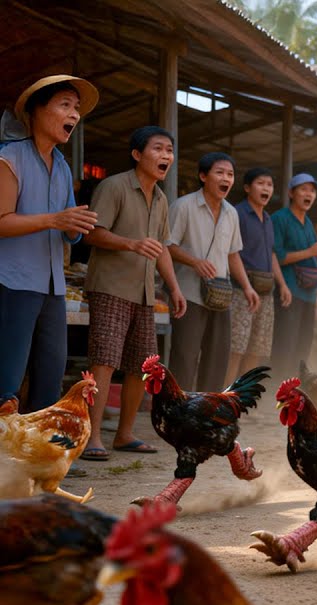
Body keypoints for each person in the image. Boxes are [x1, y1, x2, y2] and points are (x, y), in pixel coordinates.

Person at [82, 126, 188, 459]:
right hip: (110, 287)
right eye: (158, 149)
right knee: (104, 362)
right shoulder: (113, 186)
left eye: (169, 151)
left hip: (144, 294)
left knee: (142, 366)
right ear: (137, 154)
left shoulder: (160, 199)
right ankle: (92, 437)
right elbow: (92, 234)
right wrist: (131, 243)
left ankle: (124, 435)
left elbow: (162, 249)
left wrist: (173, 287)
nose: (166, 156)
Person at [0, 75, 98, 413]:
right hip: (12, 282)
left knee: (50, 377)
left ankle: (39, 462)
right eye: (65, 105)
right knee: (7, 380)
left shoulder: (63, 168)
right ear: (36, 111)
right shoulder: (10, 157)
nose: (74, 114)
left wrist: (75, 227)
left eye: (77, 108)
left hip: (53, 287)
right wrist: (55, 220)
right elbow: (2, 221)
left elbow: (69, 229)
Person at [166, 152, 258, 392]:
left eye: (230, 174)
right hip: (188, 295)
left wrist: (247, 287)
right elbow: (166, 246)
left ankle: (207, 412)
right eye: (219, 172)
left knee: (217, 358)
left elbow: (232, 254)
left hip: (221, 296)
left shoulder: (231, 213)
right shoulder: (183, 206)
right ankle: (178, 411)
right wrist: (194, 261)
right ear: (203, 176)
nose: (226, 178)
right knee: (185, 357)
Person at [226, 168, 290, 386]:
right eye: (261, 183)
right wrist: (246, 286)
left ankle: (242, 399)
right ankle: (224, 399)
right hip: (240, 290)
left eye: (270, 185)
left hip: (265, 290)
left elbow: (271, 253)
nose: (266, 188)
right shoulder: (238, 214)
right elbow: (230, 253)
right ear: (247, 188)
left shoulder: (268, 219)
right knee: (236, 348)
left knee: (256, 349)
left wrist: (282, 284)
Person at [271, 173, 317, 376]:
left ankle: (295, 390)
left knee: (303, 344)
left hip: (308, 293)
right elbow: (276, 255)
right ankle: (276, 391)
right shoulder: (280, 218)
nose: (309, 194)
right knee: (285, 343)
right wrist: (311, 251)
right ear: (291, 193)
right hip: (289, 290)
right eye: (303, 189)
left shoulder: (308, 222)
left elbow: (313, 257)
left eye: (312, 191)